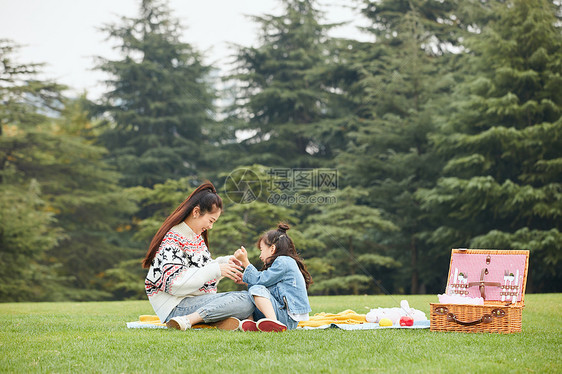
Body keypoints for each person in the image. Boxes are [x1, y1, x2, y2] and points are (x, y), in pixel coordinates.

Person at [143, 182, 254, 330]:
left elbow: (202, 270)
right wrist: (217, 269)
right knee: (246, 300)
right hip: (177, 306)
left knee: (251, 298)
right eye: (211, 220)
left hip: (194, 301)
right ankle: (189, 320)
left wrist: (225, 263)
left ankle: (216, 320)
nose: (210, 227)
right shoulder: (173, 240)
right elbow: (175, 284)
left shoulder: (194, 237)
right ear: (196, 212)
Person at [234, 223, 312, 332]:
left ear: (272, 249)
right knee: (248, 295)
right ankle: (251, 323)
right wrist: (245, 281)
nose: (260, 255)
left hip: (286, 319)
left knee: (256, 289)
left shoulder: (283, 261)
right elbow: (264, 283)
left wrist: (245, 262)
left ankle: (273, 323)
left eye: (261, 250)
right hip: (282, 315)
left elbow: (259, 281)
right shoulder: (283, 263)